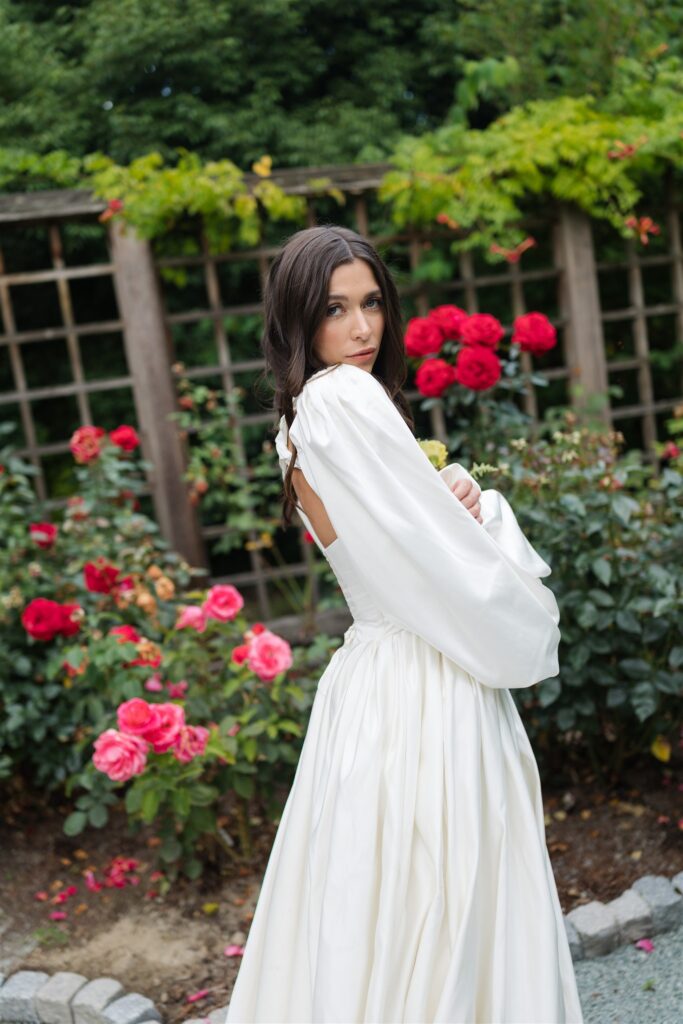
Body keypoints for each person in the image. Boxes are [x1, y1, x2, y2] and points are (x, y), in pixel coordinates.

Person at [225, 225, 584, 1023]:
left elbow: (398, 541)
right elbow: (450, 571)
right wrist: (487, 509)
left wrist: (449, 490)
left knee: (373, 907)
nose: (361, 329)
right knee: (450, 902)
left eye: (372, 304)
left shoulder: (293, 426)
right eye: (334, 310)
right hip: (428, 680)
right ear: (298, 320)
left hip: (368, 683)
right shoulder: (345, 398)